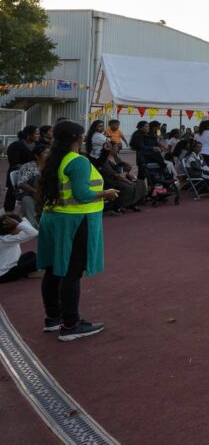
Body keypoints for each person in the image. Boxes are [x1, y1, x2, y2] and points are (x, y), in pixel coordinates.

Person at [36, 120, 119, 341]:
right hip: (75, 220)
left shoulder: (53, 158)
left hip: (52, 217)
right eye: (82, 135)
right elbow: (82, 194)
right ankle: (71, 325)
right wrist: (106, 193)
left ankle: (53, 318)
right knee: (72, 273)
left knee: (53, 269)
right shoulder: (78, 161)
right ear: (77, 138)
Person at [96, 144, 147, 213]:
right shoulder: (104, 160)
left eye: (117, 147)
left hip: (121, 177)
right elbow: (112, 173)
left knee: (140, 183)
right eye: (114, 147)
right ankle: (119, 205)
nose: (116, 149)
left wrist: (127, 169)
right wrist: (126, 180)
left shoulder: (116, 157)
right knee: (128, 187)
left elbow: (125, 168)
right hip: (111, 180)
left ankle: (132, 203)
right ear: (110, 149)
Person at [4, 125, 39, 212]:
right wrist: (30, 169)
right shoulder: (15, 145)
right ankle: (8, 212)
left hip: (33, 175)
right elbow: (14, 163)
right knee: (12, 194)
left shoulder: (37, 145)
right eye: (36, 133)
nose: (38, 136)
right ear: (28, 135)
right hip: (18, 174)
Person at [14, 144, 49, 227]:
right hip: (31, 194)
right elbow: (21, 183)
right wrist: (36, 192)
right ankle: (33, 227)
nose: (49, 155)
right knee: (26, 200)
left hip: (46, 194)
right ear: (37, 156)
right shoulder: (28, 166)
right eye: (46, 153)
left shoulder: (51, 167)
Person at [1, 213, 39, 284]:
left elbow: (30, 231)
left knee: (30, 254)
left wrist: (20, 221)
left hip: (11, 264)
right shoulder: (6, 239)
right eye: (18, 226)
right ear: (12, 229)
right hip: (4, 274)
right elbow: (34, 233)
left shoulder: (7, 236)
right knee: (39, 260)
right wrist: (19, 223)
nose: (20, 228)